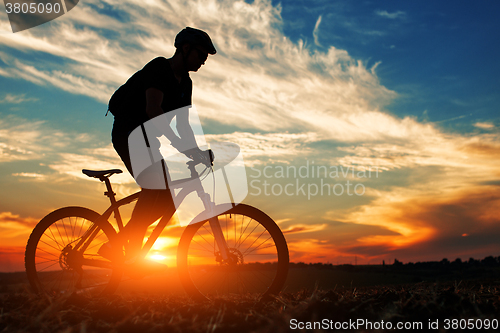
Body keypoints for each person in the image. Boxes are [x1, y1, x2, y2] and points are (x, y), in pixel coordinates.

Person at [102, 27, 216, 268]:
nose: (204, 61)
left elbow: (184, 125)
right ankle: (131, 250)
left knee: (171, 197)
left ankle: (118, 243)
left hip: (148, 139)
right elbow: (153, 110)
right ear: (185, 49)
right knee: (154, 186)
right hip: (128, 133)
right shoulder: (159, 68)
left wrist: (196, 151)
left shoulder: (186, 83)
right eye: (201, 55)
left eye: (206, 57)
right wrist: (179, 146)